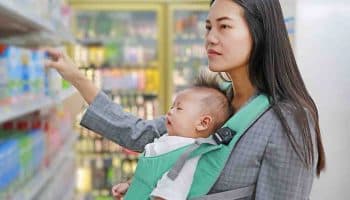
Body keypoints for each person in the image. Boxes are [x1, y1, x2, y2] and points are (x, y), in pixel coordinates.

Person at [45, 0, 326, 199]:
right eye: (208, 27)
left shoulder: (288, 121)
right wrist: (150, 189)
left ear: (260, 32)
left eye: (224, 27)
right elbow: (141, 133)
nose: (210, 38)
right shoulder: (219, 103)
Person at [113, 74, 232, 200]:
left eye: (179, 108)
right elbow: (153, 178)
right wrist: (131, 186)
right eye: (172, 107)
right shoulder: (169, 142)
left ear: (203, 123)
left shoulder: (187, 159)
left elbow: (167, 195)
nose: (170, 111)